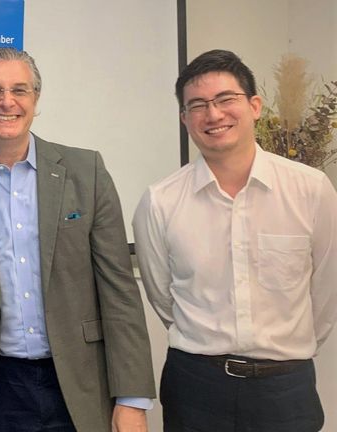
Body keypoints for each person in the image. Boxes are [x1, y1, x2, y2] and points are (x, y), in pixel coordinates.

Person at [0, 47, 156, 432]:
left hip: (83, 383)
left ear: (35, 100)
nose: (7, 102)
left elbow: (119, 289)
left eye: (19, 90)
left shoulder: (86, 172)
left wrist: (132, 398)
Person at [133, 49, 337, 431]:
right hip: (196, 386)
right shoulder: (160, 201)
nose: (213, 114)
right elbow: (163, 297)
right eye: (197, 105)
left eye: (226, 99)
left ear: (255, 106)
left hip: (286, 388)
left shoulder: (311, 190)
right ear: (184, 119)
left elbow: (326, 290)